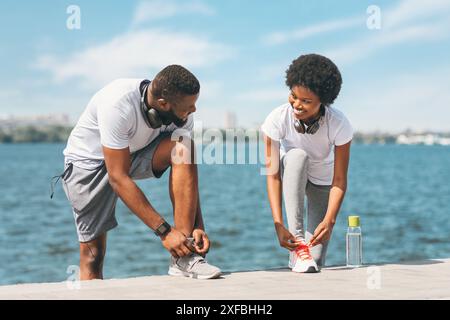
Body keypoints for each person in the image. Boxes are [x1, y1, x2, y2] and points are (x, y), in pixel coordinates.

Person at [55, 65, 221, 280]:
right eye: (189, 106)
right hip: (88, 166)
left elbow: (188, 177)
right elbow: (117, 177)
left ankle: (183, 257)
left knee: (184, 147)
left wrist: (198, 226)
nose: (194, 111)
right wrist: (165, 232)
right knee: (92, 257)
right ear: (163, 104)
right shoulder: (117, 104)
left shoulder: (181, 113)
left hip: (134, 152)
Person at [261, 54, 353, 273]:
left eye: (306, 101)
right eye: (293, 96)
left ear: (324, 101)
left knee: (315, 263)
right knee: (297, 155)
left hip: (323, 181)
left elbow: (339, 180)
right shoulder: (276, 119)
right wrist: (278, 224)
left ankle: (303, 254)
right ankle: (298, 243)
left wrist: (330, 221)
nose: (297, 105)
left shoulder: (339, 123)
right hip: (292, 171)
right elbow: (272, 175)